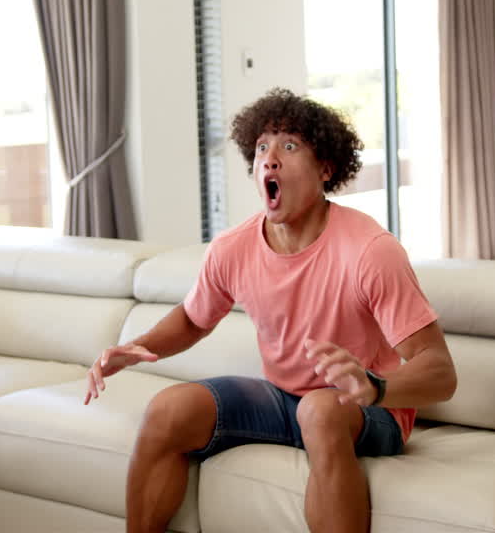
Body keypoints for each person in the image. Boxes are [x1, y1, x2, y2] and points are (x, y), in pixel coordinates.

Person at [84, 88, 456, 533]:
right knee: (167, 410)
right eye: (262, 147)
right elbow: (192, 319)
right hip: (283, 399)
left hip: (368, 409)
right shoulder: (233, 248)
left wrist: (374, 386)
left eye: (290, 145)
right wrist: (135, 347)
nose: (270, 158)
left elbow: (440, 372)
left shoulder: (370, 251)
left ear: (326, 169)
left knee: (319, 411)